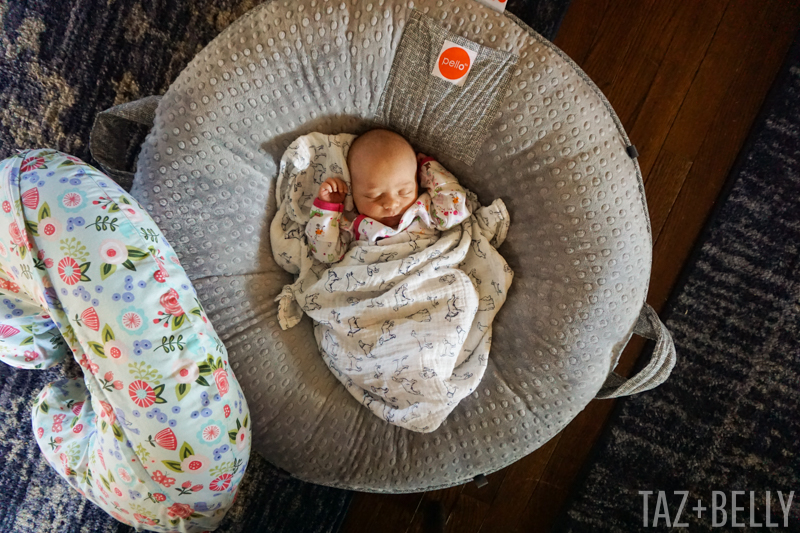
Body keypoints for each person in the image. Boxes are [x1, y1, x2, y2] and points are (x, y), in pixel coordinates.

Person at [305, 129, 471, 263]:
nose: (391, 204)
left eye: (403, 192)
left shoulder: (423, 210)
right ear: (353, 194)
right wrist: (328, 209)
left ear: (418, 181)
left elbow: (456, 211)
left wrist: (430, 170)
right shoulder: (353, 225)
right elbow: (325, 255)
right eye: (374, 196)